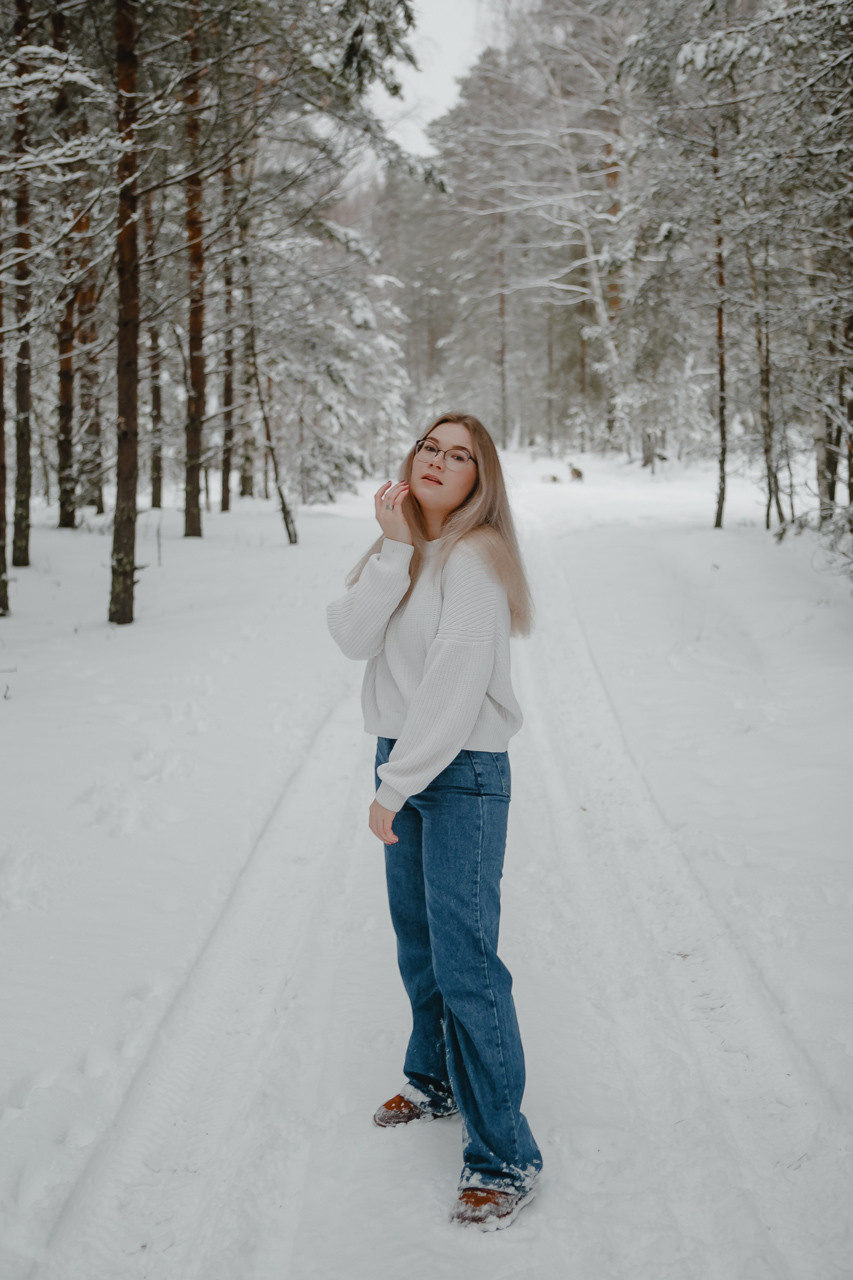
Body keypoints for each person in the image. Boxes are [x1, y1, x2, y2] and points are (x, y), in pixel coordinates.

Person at [326, 412, 542, 1231]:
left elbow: (453, 688)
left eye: (460, 457)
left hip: (457, 772)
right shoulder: (407, 549)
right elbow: (349, 636)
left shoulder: (477, 559)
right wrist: (389, 548)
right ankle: (437, 1077)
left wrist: (393, 787)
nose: (440, 462)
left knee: (467, 962)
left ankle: (503, 1155)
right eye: (430, 447)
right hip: (407, 752)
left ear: (478, 480)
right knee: (418, 941)